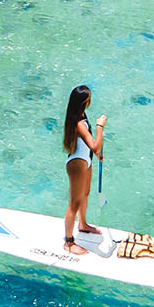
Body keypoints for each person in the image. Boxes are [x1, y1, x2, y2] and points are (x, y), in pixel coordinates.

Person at [61, 84, 106, 255]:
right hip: (78, 164)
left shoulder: (80, 115)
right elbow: (95, 146)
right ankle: (69, 242)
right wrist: (100, 127)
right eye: (88, 99)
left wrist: (96, 155)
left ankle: (83, 225)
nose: (90, 102)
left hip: (86, 160)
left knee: (85, 194)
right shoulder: (79, 123)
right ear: (83, 102)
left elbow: (91, 148)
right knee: (74, 203)